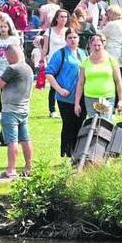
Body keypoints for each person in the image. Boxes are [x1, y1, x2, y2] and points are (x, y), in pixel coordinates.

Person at [0, 45, 34, 178]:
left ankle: (10, 169)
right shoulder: (28, 68)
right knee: (25, 139)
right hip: (24, 109)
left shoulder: (12, 68)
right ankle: (29, 167)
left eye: (7, 57)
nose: (7, 60)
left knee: (12, 141)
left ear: (11, 55)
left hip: (10, 110)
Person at [46, 29, 86, 158]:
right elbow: (49, 73)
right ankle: (67, 153)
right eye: (70, 38)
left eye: (75, 37)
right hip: (65, 97)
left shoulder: (83, 53)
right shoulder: (60, 54)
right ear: (65, 39)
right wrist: (59, 89)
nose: (73, 40)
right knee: (68, 124)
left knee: (80, 124)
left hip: (81, 96)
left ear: (78, 39)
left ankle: (78, 152)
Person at [74, 34, 122, 121]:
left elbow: (118, 81)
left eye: (99, 45)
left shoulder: (111, 60)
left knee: (105, 123)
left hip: (107, 97)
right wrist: (77, 103)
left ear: (103, 45)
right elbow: (80, 83)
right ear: (90, 45)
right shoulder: (85, 62)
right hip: (90, 97)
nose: (97, 48)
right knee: (93, 124)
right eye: (94, 45)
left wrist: (121, 100)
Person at [38, 9, 71, 118]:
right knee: (54, 86)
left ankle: (66, 107)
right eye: (61, 16)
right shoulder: (49, 31)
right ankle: (52, 109)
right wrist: (42, 59)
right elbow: (45, 47)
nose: (63, 19)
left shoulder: (69, 31)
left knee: (67, 84)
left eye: (65, 17)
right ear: (56, 18)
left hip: (67, 61)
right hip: (53, 61)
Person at [101, 5, 122, 81]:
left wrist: (102, 23)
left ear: (112, 13)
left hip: (114, 56)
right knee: (120, 80)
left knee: (113, 81)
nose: (107, 16)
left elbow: (101, 35)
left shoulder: (111, 24)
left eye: (108, 13)